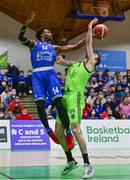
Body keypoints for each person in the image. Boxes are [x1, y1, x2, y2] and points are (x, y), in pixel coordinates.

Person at [18, 11, 86, 149]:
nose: (50, 33)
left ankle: (67, 131)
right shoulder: (34, 44)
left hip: (50, 73)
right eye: (48, 32)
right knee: (39, 105)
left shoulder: (54, 47)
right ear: (42, 34)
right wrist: (27, 23)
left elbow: (74, 46)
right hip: (37, 75)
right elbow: (20, 37)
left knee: (58, 103)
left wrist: (89, 36)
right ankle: (48, 130)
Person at [55, 18, 100, 179]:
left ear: (95, 60)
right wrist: (61, 60)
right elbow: (66, 62)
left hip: (76, 97)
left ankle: (88, 165)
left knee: (75, 129)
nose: (91, 54)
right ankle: (70, 160)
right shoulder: (76, 64)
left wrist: (89, 28)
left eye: (94, 55)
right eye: (91, 54)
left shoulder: (90, 65)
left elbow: (89, 45)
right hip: (65, 97)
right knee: (58, 131)